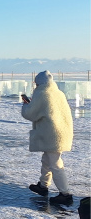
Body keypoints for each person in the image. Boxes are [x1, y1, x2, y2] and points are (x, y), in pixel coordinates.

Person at [22, 70, 74, 206]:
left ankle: (65, 194)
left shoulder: (42, 93)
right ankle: (43, 186)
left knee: (55, 164)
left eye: (36, 83)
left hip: (52, 135)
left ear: (39, 82)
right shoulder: (58, 93)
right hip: (61, 133)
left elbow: (30, 114)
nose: (35, 85)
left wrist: (26, 105)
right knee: (47, 159)